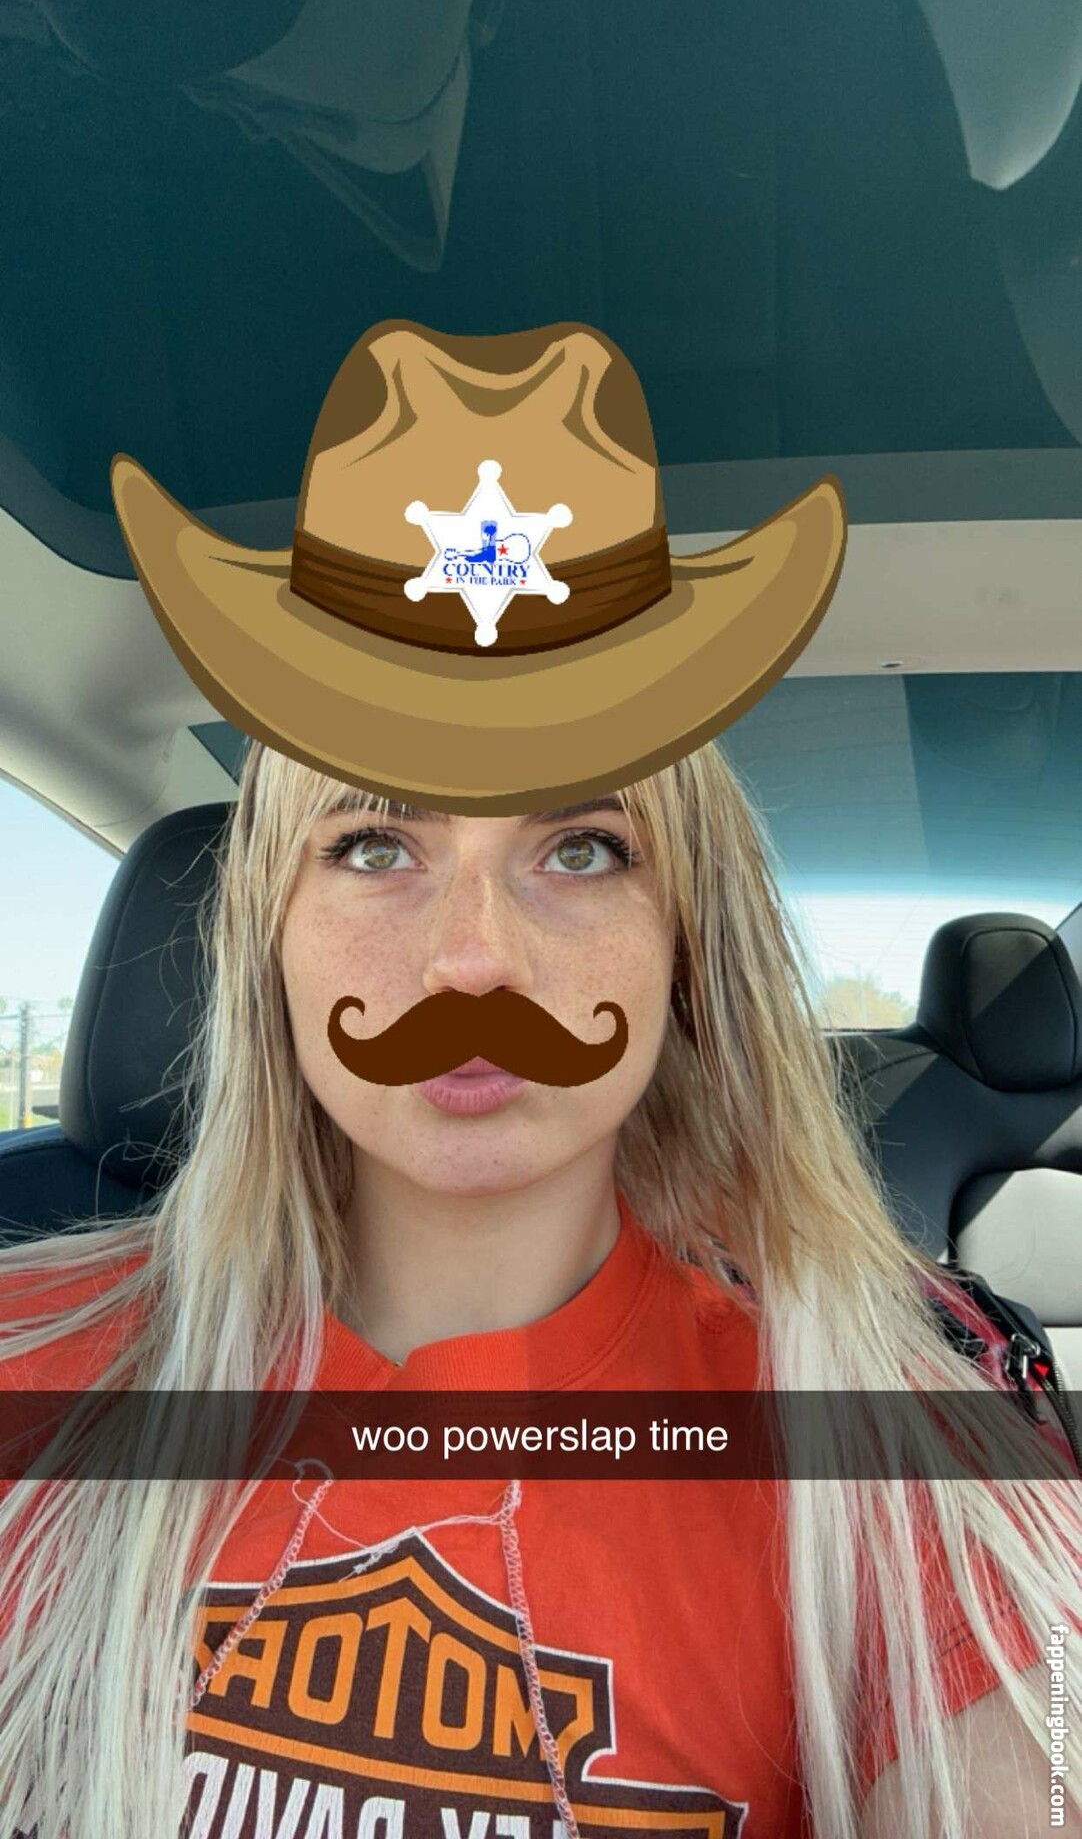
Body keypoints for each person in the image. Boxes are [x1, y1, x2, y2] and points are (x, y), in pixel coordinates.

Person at [0, 738, 1077, 1839]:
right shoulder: (25, 1360)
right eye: (373, 847)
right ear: (268, 936)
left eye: (582, 850)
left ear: (684, 945)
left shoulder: (894, 1459)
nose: (473, 963)